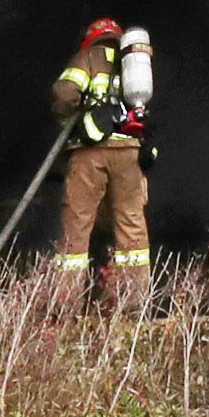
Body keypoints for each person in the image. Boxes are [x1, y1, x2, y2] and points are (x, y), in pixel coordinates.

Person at [51, 17, 155, 282]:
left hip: (91, 152)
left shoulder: (88, 57)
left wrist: (69, 119)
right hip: (129, 153)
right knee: (132, 226)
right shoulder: (132, 66)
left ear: (91, 37)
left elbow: (65, 93)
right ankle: (132, 303)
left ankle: (63, 302)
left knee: (78, 223)